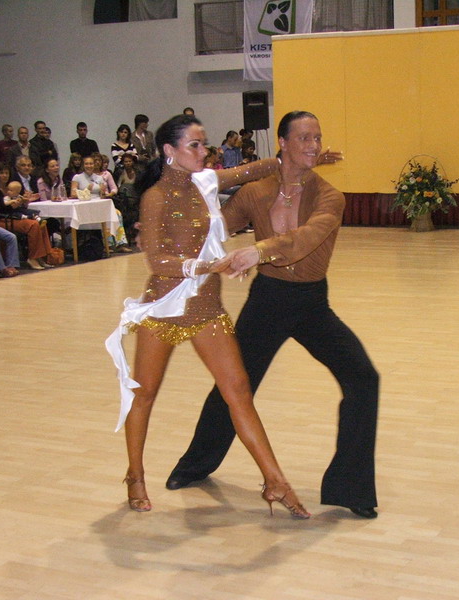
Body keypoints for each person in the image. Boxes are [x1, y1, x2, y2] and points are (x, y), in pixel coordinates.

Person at [165, 111, 379, 519]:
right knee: (234, 384)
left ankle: (350, 488)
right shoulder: (255, 192)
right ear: (282, 142)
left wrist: (258, 251)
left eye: (317, 138)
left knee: (363, 379)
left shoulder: (330, 196)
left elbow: (306, 238)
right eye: (304, 138)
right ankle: (194, 464)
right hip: (268, 301)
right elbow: (215, 227)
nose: (314, 145)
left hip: (312, 303)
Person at [105, 114, 310, 518]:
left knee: (239, 391)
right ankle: (135, 475)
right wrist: (205, 267)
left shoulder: (205, 182)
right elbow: (156, 260)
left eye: (204, 143)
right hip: (165, 308)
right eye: (194, 145)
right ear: (170, 150)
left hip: (206, 308)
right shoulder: (156, 197)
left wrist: (299, 155)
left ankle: (275, 481)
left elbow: (254, 169)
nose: (204, 151)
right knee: (144, 394)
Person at [0, 175, 54, 270]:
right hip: (2, 219)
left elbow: (22, 205)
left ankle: (43, 257)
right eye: (1, 173)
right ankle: (32, 257)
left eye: (6, 173)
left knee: (41, 224)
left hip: (16, 216)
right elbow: (1, 208)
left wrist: (25, 200)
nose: (5, 175)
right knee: (34, 225)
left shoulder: (14, 187)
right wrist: (13, 204)